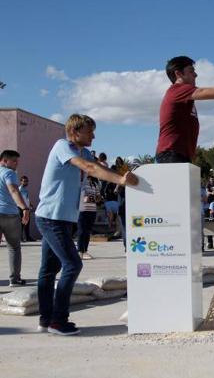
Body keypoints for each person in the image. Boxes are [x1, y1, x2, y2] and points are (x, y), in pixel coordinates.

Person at [36, 114, 138, 336]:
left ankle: (46, 319)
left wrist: (121, 175)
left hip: (63, 218)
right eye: (89, 131)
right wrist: (121, 181)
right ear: (75, 132)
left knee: (49, 270)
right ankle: (57, 320)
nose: (93, 135)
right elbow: (88, 168)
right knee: (73, 264)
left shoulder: (83, 152)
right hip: (50, 217)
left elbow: (95, 166)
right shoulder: (62, 146)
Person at [0, 150, 30, 287]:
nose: (17, 164)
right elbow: (13, 190)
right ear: (4, 161)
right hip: (10, 215)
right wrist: (24, 208)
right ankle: (15, 279)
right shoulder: (9, 173)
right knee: (14, 247)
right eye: (14, 161)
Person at [76, 176, 102, 260]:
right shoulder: (82, 182)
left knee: (87, 232)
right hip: (82, 210)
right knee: (81, 231)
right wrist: (86, 198)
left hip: (92, 210)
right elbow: (80, 196)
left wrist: (97, 198)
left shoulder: (95, 184)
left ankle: (85, 251)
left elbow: (98, 197)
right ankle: (80, 251)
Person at [18, 175, 34, 241]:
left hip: (27, 208)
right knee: (21, 223)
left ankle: (28, 237)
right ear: (21, 182)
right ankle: (20, 237)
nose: (25, 182)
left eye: (26, 181)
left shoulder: (25, 189)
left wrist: (30, 204)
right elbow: (18, 199)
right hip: (21, 208)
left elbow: (26, 198)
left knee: (27, 223)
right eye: (24, 181)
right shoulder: (19, 189)